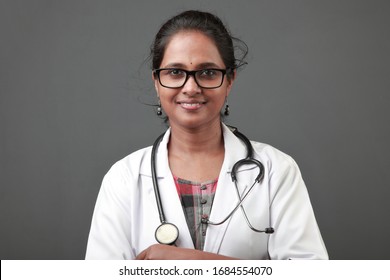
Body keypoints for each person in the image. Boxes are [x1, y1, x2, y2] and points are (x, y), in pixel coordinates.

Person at [85, 10, 328, 260]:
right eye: (175, 72)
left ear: (230, 80)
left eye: (208, 72)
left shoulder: (276, 170)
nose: (191, 88)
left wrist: (195, 262)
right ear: (157, 81)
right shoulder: (124, 179)